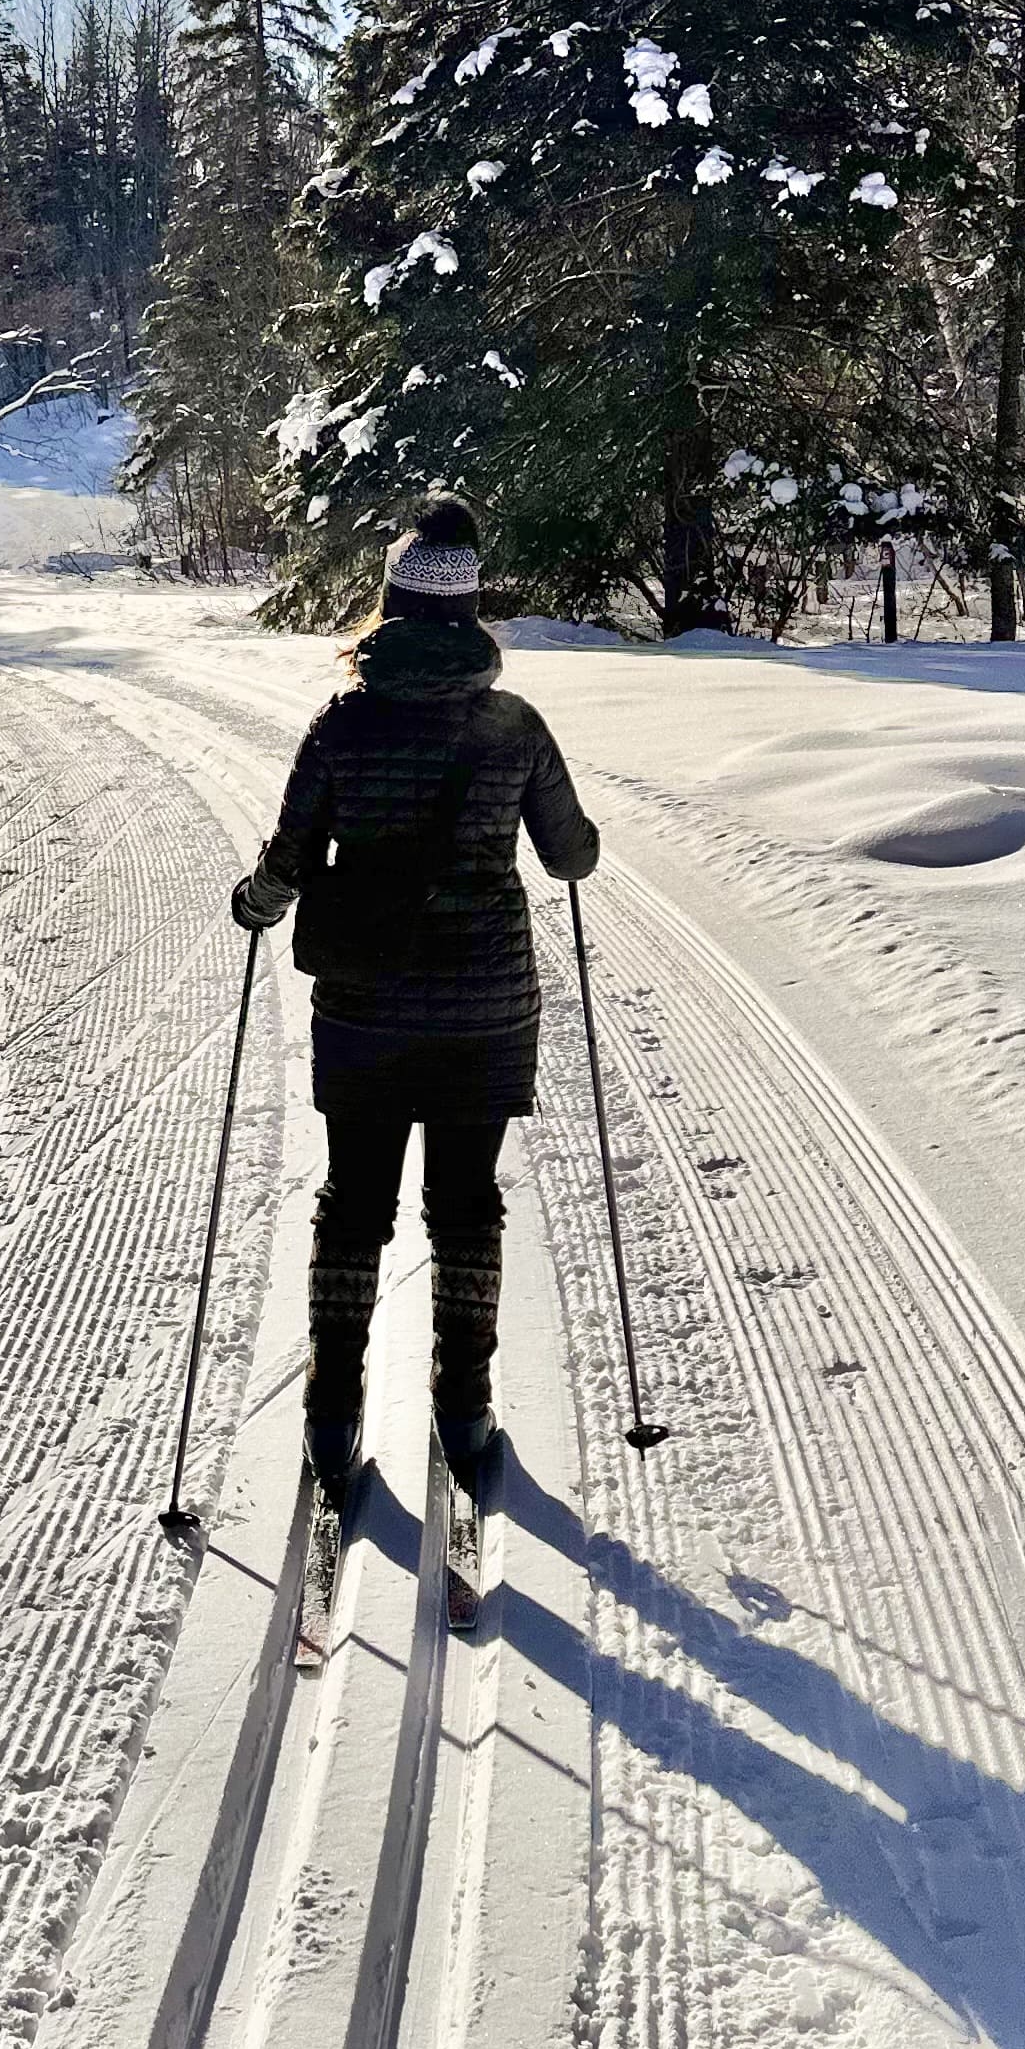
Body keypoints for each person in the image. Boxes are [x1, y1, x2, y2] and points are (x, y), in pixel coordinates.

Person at [229, 494, 599, 1494]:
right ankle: (465, 1408)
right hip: (486, 1008)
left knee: (354, 1206)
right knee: (467, 1207)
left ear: (387, 603)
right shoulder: (516, 726)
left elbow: (289, 861)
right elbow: (573, 854)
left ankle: (332, 1413)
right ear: (473, 610)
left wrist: (254, 904)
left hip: (366, 1004)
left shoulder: (342, 724)